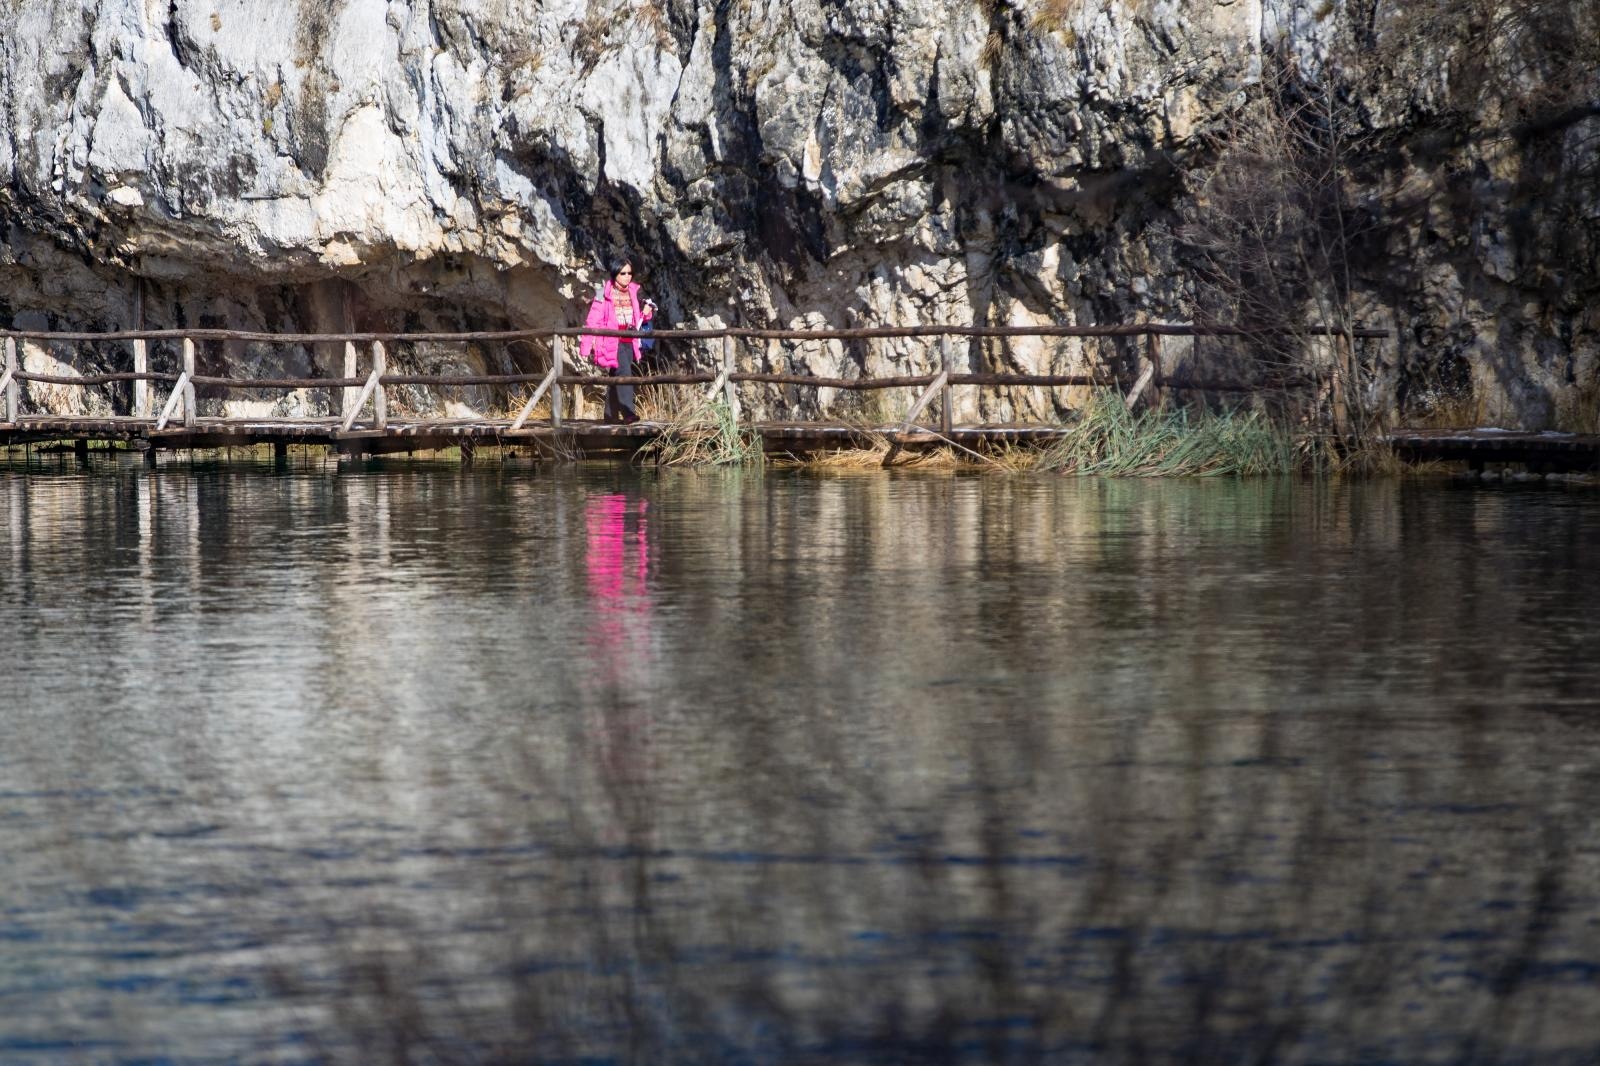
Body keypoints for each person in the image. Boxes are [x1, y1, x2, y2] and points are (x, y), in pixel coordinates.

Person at [580, 256, 655, 424]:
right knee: (624, 373)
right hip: (613, 341)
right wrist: (586, 346)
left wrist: (646, 312)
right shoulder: (604, 293)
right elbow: (593, 320)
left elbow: (637, 319)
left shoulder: (634, 291)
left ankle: (610, 415)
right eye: (623, 273)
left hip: (630, 340)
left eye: (630, 273)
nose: (627, 276)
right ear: (615, 273)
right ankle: (628, 413)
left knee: (616, 374)